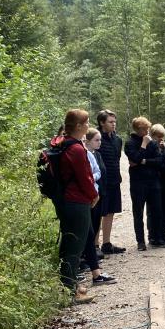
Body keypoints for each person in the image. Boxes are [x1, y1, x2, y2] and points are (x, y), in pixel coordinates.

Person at [55, 109, 99, 303]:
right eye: (87, 122)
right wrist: (93, 195)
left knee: (69, 244)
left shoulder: (63, 143)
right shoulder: (76, 149)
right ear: (79, 126)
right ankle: (71, 291)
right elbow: (85, 177)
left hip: (66, 200)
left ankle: (69, 284)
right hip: (77, 202)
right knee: (75, 245)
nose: (88, 126)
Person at [81, 129, 117, 285]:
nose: (100, 143)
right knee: (86, 233)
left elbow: (97, 172)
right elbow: (85, 176)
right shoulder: (80, 152)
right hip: (83, 198)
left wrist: (94, 185)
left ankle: (94, 269)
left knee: (92, 229)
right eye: (97, 140)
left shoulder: (94, 154)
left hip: (95, 194)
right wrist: (91, 180)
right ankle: (86, 264)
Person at [125, 116, 165, 251]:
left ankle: (157, 238)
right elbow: (134, 158)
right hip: (138, 183)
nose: (148, 131)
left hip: (153, 181)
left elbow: (159, 160)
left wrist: (143, 161)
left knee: (157, 210)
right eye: (146, 129)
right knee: (138, 212)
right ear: (139, 129)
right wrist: (143, 145)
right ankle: (140, 241)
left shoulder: (153, 143)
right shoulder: (130, 143)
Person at [95, 110, 125, 255]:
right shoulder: (95, 139)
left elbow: (117, 158)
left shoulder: (117, 139)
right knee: (98, 212)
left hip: (114, 180)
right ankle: (95, 246)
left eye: (114, 122)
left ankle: (106, 244)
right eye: (110, 122)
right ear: (102, 123)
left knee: (111, 211)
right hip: (100, 182)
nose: (113, 124)